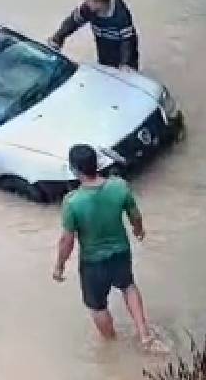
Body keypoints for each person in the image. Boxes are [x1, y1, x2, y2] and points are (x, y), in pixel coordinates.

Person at [54, 145, 163, 351]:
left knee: (97, 306)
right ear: (97, 164)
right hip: (121, 252)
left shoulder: (72, 202)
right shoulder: (119, 187)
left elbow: (67, 241)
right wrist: (138, 230)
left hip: (93, 263)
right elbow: (135, 215)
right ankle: (144, 335)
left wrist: (59, 266)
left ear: (75, 170)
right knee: (128, 286)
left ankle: (112, 346)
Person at [47, 0, 140, 70]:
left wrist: (126, 64)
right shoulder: (88, 10)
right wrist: (58, 38)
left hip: (125, 56)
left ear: (99, 2)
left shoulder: (120, 14)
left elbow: (128, 42)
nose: (86, 2)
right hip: (104, 55)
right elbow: (72, 22)